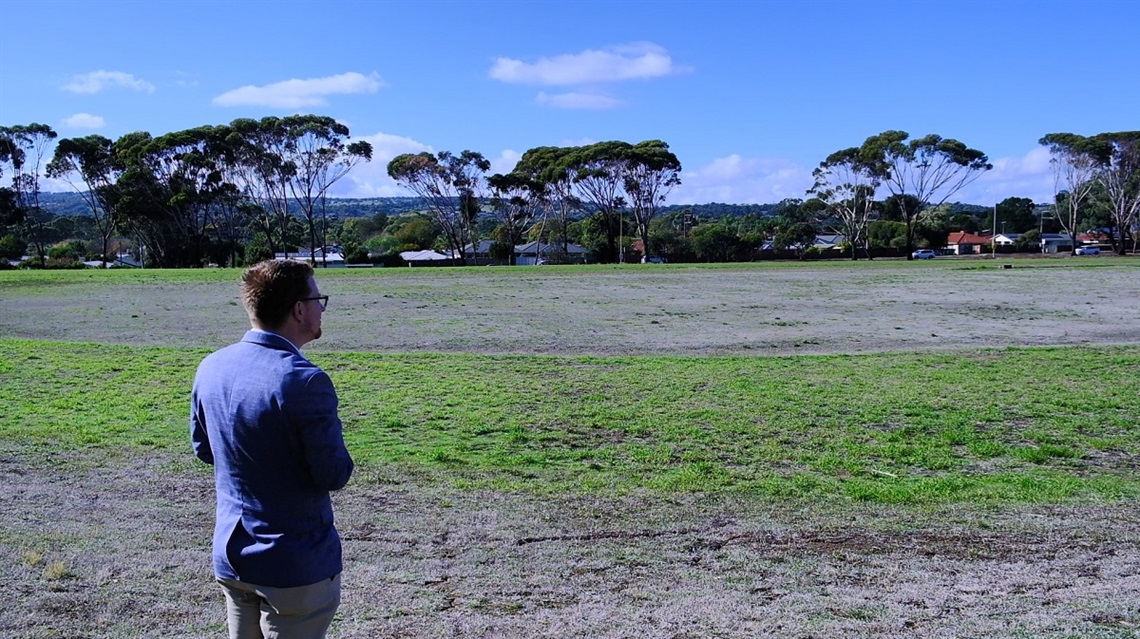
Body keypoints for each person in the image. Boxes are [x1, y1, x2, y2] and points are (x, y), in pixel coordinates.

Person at [191, 259, 354, 639]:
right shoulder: (305, 380)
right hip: (294, 566)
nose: (321, 308)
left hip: (232, 555)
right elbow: (333, 473)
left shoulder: (212, 366)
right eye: (318, 299)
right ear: (299, 308)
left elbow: (204, 448)